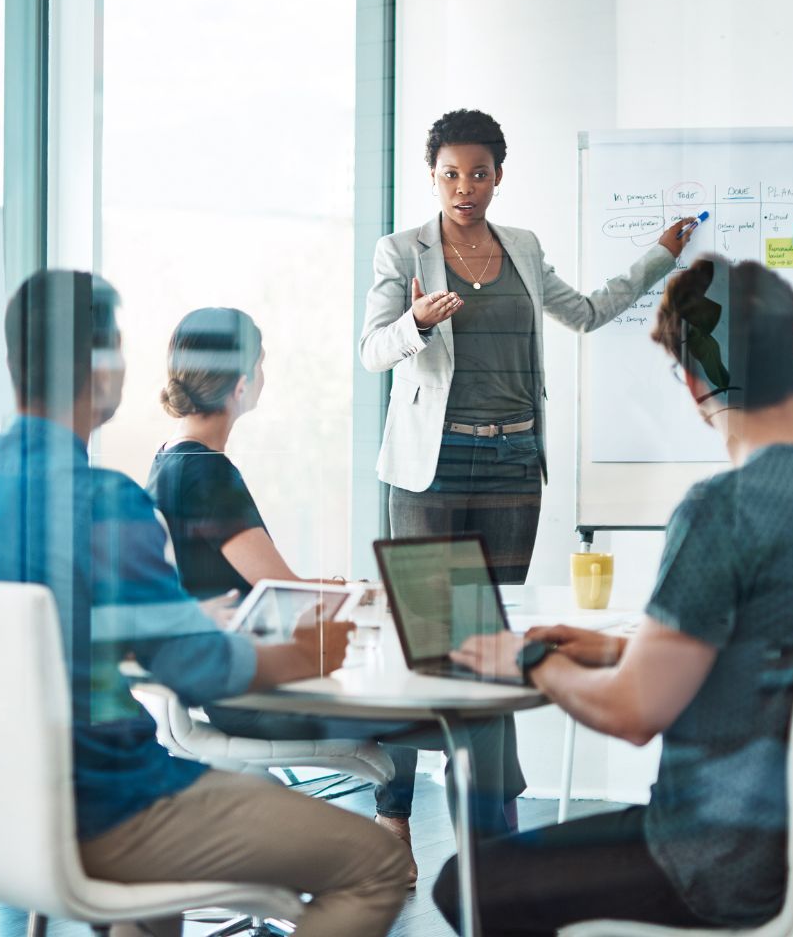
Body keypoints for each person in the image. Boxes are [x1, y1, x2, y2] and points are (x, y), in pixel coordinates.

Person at [0, 271, 409, 937]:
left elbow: (13, 642)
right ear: (104, 371)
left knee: (159, 907)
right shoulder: (101, 501)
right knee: (376, 863)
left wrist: (154, 627)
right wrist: (301, 653)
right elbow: (198, 671)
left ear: (13, 365)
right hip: (106, 808)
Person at [439, 258, 793, 933]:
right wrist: (619, 648)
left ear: (692, 382)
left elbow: (636, 713)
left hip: (722, 858)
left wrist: (526, 662)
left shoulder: (724, 508)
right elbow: (788, 649)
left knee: (468, 884)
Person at [146, 306, 528, 879]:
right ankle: (498, 878)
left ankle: (451, 856)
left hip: (232, 683)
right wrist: (366, 596)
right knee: (479, 713)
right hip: (262, 698)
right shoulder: (208, 473)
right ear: (244, 381)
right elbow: (285, 594)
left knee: (451, 699)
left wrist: (336, 589)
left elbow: (255, 588)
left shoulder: (168, 464)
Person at [359, 108, 700, 585]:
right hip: (433, 455)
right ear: (432, 177)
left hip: (513, 456)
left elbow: (586, 312)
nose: (464, 188)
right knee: (431, 619)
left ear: (498, 176)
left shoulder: (523, 246)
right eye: (450, 175)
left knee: (503, 618)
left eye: (479, 174)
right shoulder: (400, 250)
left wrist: (660, 258)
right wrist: (415, 322)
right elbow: (372, 351)